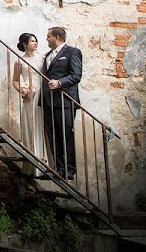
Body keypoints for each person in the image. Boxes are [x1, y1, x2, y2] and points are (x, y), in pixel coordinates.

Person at [40, 26, 82, 180]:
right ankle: (59, 168)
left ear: (57, 37)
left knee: (66, 136)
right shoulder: (47, 55)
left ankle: (70, 170)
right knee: (53, 136)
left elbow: (76, 75)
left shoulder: (72, 52)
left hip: (65, 101)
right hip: (48, 101)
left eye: (48, 36)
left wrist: (59, 82)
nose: (46, 39)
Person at [12, 33, 45, 176]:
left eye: (36, 41)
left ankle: (45, 164)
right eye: (32, 41)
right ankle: (31, 166)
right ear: (25, 44)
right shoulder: (19, 61)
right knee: (29, 127)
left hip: (42, 96)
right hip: (28, 97)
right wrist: (22, 90)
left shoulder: (43, 59)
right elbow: (15, 80)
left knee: (42, 126)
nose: (36, 43)